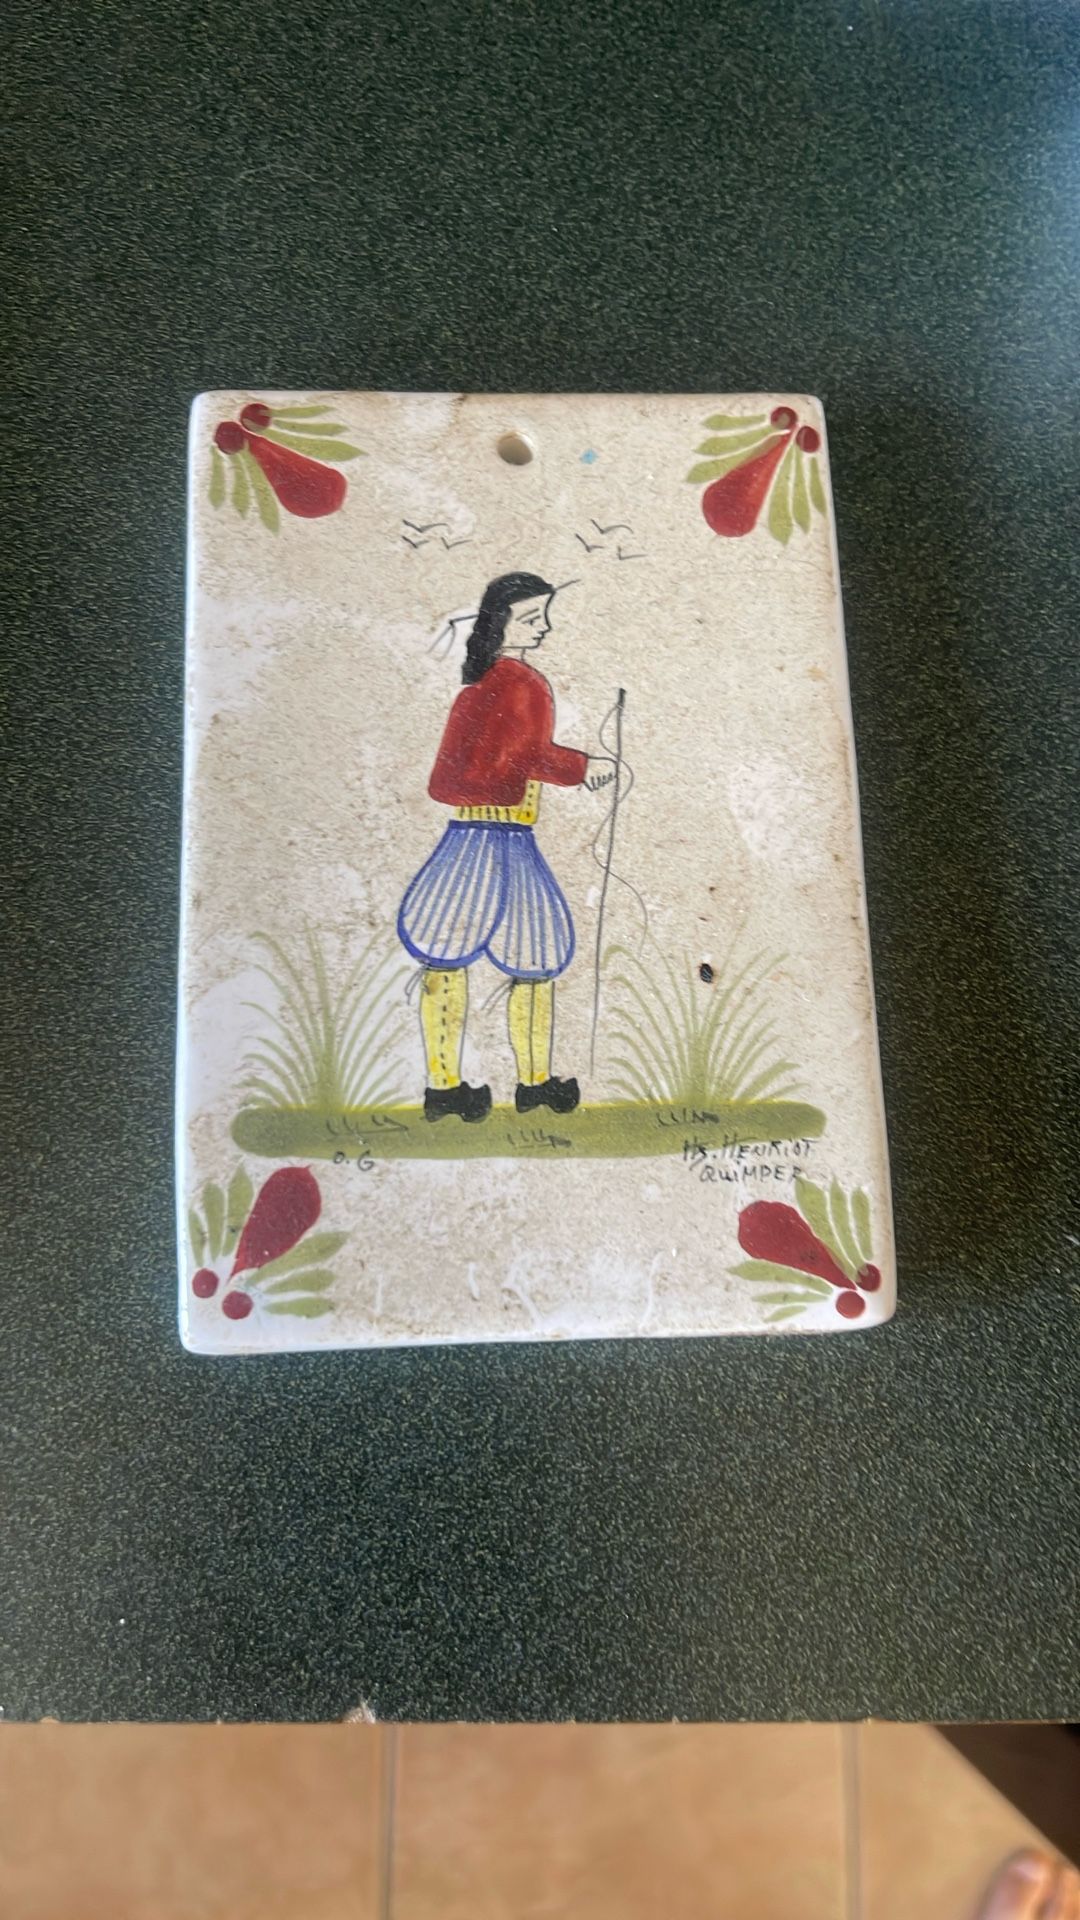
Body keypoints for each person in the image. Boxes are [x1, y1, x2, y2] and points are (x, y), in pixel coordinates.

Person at [397, 571, 612, 1122]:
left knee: (448, 955)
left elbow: (457, 773)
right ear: (501, 623)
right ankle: (531, 1084)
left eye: (545, 616)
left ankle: (445, 1088)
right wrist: (584, 767)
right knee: (532, 958)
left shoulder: (478, 686)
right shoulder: (521, 683)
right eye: (532, 618)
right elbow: (528, 755)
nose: (544, 627)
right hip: (501, 837)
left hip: (476, 834)